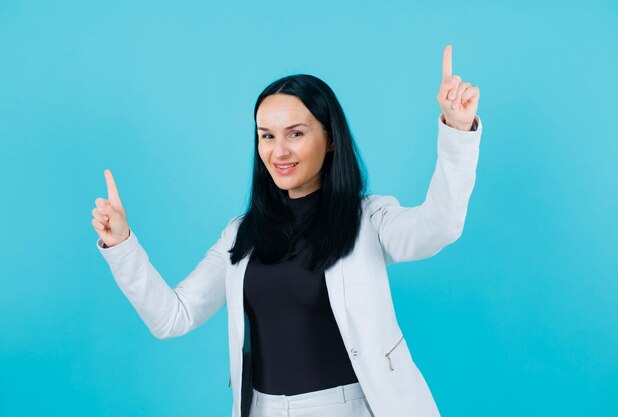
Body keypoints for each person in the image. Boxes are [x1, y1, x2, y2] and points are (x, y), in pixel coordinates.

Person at [92, 44, 482, 417]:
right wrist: (122, 245)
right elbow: (172, 317)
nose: (278, 151)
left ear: (329, 138)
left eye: (295, 133)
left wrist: (457, 131)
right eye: (267, 135)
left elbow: (439, 227)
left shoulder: (369, 219)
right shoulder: (241, 235)